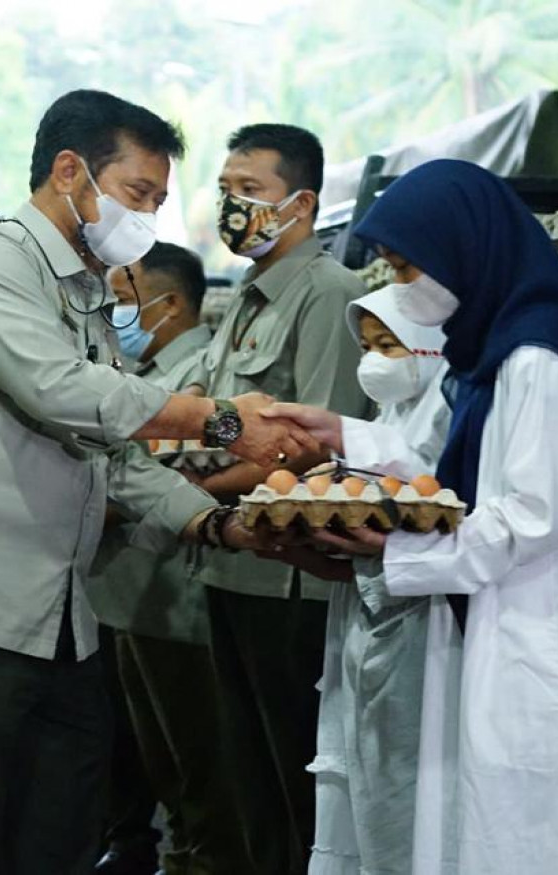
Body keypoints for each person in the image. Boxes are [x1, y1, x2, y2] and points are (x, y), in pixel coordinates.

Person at [0, 90, 309, 874]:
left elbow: (113, 455)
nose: (148, 217)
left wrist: (218, 523)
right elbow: (59, 390)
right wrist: (223, 419)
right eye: (137, 193)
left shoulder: (86, 293)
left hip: (56, 615)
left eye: (157, 201)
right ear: (69, 171)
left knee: (61, 835)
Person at [267, 159, 558, 874]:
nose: (401, 286)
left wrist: (395, 552)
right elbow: (461, 470)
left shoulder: (540, 358)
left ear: (461, 248)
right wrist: (346, 436)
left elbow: (531, 519)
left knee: (545, 825)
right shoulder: (493, 349)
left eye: (406, 268)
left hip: (544, 623)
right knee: (492, 823)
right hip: (503, 618)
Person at [191, 122, 368, 874]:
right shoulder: (248, 297)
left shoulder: (328, 294)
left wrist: (191, 488)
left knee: (296, 778)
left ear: (303, 204)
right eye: (226, 190)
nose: (233, 206)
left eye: (251, 190)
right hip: (231, 563)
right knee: (248, 777)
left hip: (290, 577)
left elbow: (315, 447)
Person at [89, 243, 253, 875]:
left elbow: (203, 470)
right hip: (133, 596)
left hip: (179, 598)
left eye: (122, 301)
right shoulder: (141, 374)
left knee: (201, 770)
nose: (112, 316)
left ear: (171, 303)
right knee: (162, 767)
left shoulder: (202, 377)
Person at [306, 287, 450, 875]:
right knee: (364, 776)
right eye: (366, 347)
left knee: (410, 785)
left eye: (388, 345)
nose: (373, 362)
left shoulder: (450, 414)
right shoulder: (389, 419)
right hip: (367, 614)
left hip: (428, 626)